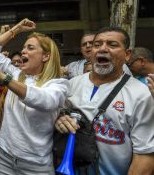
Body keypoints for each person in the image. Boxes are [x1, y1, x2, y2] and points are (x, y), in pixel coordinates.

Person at [55, 27, 154, 175]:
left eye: (112, 45)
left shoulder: (141, 94)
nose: (102, 49)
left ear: (127, 55)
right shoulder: (71, 84)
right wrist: (59, 119)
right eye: (97, 45)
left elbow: (145, 154)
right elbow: (51, 118)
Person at [0, 18, 69, 175]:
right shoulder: (16, 74)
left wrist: (4, 79)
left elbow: (44, 100)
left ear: (46, 57)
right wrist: (17, 29)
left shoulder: (58, 84)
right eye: (23, 48)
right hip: (5, 157)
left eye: (30, 48)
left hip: (36, 165)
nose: (23, 51)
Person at [65, 32, 131, 79]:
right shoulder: (72, 66)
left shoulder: (119, 65)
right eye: (84, 44)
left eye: (91, 43)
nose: (88, 46)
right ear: (81, 49)